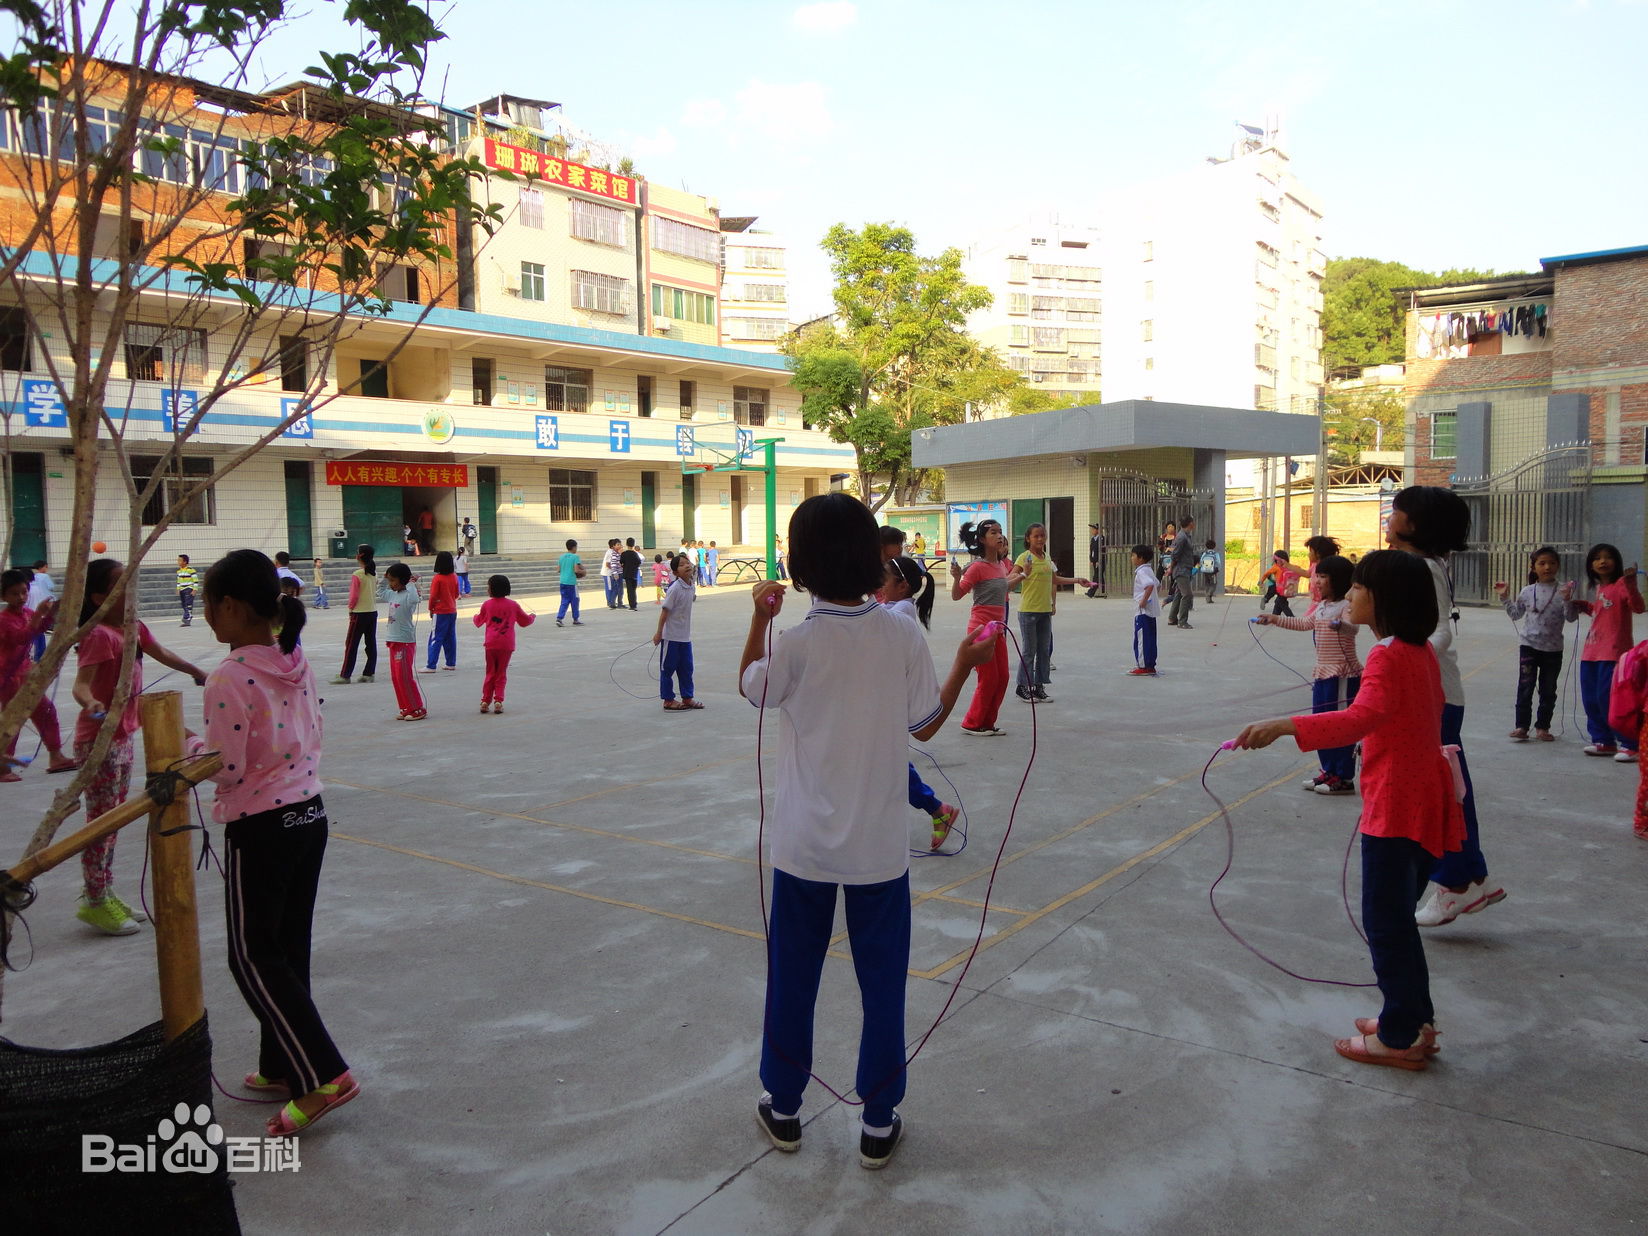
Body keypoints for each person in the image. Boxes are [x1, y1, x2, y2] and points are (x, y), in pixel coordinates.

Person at [737, 493, 998, 1168]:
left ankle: (786, 1108)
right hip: (880, 853)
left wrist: (758, 620)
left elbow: (751, 686)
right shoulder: (901, 631)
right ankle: (879, 1122)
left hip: (803, 850)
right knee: (883, 987)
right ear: (870, 559)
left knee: (794, 980)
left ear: (797, 567)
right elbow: (923, 726)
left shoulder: (795, 643)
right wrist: (964, 667)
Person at [1234, 549, 1463, 1071]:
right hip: (1426, 796)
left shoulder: (1386, 655)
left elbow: (1361, 717)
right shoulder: (1418, 649)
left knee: (1386, 924)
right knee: (1397, 921)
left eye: (1358, 588)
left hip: (1398, 806)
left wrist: (1286, 725)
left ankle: (1401, 1035)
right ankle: (1410, 1018)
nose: (1350, 595)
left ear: (1380, 599)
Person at [183, 549, 357, 1139]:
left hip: (261, 825)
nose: (208, 618)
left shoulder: (232, 674)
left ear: (230, 606)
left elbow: (226, 768)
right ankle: (283, 1064)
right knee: (286, 946)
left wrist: (183, 748)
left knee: (252, 955)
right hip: (308, 814)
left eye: (209, 607)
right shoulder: (291, 654)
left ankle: (325, 1075)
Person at [1386, 485, 1505, 927]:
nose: (1390, 516)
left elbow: (1440, 631)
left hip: (1433, 696)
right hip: (1433, 693)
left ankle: (1455, 882)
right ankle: (1472, 875)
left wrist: (1401, 659)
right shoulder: (1419, 563)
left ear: (1413, 525)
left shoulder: (1421, 567)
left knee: (1441, 790)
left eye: (1396, 511)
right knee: (1448, 784)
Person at [71, 557, 207, 935]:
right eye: (120, 585)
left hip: (123, 737)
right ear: (99, 597)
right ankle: (95, 900)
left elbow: (163, 654)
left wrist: (197, 672)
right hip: (98, 741)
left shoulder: (133, 628)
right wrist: (90, 702)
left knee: (113, 820)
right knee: (101, 824)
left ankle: (100, 891)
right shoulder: (99, 634)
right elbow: (81, 684)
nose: (131, 591)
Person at [1257, 554, 1363, 794]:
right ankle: (1328, 771)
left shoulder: (1346, 606)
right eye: (1317, 577)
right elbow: (1304, 624)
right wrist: (1274, 619)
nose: (1316, 582)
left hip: (1343, 675)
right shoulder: (1323, 607)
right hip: (1323, 674)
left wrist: (1341, 626)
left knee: (1341, 726)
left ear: (1338, 580)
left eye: (1323, 577)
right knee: (1320, 723)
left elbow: (1353, 627)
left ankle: (1343, 777)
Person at [883, 554, 958, 849]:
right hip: (886, 703)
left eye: (883, 577)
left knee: (891, 765)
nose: (878, 582)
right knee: (891, 764)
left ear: (902, 586)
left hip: (890, 705)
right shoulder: (893, 607)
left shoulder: (899, 614)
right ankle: (938, 809)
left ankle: (938, 809)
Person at [1567, 542, 1643, 759]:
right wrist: (1587, 607)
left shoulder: (1622, 584)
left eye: (1608, 557)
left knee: (1611, 699)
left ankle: (1629, 743)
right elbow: (1606, 612)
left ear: (1616, 563)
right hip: (1591, 652)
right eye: (1597, 558)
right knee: (1591, 699)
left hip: (1614, 653)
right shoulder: (1600, 588)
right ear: (1591, 565)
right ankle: (1603, 740)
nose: (1602, 561)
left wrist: (1631, 583)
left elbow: (1638, 607)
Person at [0, 568, 77, 780]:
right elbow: (22, 637)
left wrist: (51, 613)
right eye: (14, 594)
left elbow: (40, 628)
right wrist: (39, 616)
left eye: (24, 592)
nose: (21, 597)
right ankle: (3, 766)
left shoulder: (26, 613)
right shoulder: (4, 619)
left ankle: (55, 755)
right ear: (3, 596)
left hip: (25, 675)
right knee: (13, 720)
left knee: (45, 712)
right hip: (7, 677)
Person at [948, 519, 1023, 736]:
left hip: (998, 628)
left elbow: (1002, 587)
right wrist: (955, 578)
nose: (999, 536)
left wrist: (1023, 575)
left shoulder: (1000, 565)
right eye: (993, 533)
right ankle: (972, 723)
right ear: (982, 539)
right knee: (988, 678)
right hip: (981, 629)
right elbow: (957, 595)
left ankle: (988, 722)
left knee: (1003, 677)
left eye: (1000, 532)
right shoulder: (977, 567)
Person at [1494, 546, 1576, 742]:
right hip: (1528, 645)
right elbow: (1516, 614)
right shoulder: (1527, 590)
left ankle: (1542, 727)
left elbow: (1571, 617)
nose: (1547, 567)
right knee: (1525, 686)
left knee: (1548, 689)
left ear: (1558, 566)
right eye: (1542, 563)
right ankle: (1521, 726)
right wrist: (1505, 597)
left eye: (1552, 563)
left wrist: (1568, 600)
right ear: (1533, 568)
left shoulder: (1564, 590)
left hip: (1553, 649)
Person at [1012, 522, 1090, 703]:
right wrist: (1023, 573)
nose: (1040, 539)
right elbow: (1010, 577)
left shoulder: (1047, 558)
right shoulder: (1024, 557)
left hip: (1044, 611)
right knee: (1029, 651)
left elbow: (1054, 579)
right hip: (1028, 611)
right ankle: (1023, 686)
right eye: (1035, 536)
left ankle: (1039, 686)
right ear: (1028, 538)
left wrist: (1077, 580)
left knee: (1044, 651)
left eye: (1042, 535)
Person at [473, 573, 534, 714]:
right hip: (506, 645)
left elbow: (478, 622)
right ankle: (498, 700)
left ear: (492, 589)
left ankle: (485, 700)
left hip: (490, 644)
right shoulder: (513, 605)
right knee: (501, 672)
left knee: (490, 672)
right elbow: (524, 622)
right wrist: (532, 617)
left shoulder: (487, 605)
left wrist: (475, 616)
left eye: (488, 586)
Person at [654, 552, 699, 710]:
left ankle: (687, 697)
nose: (686, 565)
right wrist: (659, 633)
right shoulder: (675, 589)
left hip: (684, 637)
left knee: (686, 668)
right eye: (681, 565)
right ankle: (668, 699)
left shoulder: (691, 585)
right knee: (668, 668)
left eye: (687, 563)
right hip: (671, 637)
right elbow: (665, 612)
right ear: (675, 572)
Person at [380, 562, 424, 721]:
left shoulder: (408, 595)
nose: (391, 584)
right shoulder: (392, 594)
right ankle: (405, 707)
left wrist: (411, 583)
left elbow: (414, 599)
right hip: (392, 640)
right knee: (396, 677)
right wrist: (384, 579)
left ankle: (417, 708)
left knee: (405, 677)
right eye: (390, 581)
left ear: (403, 580)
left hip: (405, 642)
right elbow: (380, 591)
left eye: (393, 581)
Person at [332, 545, 378, 685]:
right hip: (372, 612)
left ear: (360, 555)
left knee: (351, 644)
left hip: (359, 613)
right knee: (370, 644)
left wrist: (350, 608)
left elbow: (354, 596)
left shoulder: (357, 574)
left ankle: (345, 675)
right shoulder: (373, 573)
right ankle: (369, 673)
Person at [420, 550, 459, 673]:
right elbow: (457, 594)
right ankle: (450, 663)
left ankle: (431, 665)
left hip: (440, 611)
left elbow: (433, 596)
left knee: (435, 638)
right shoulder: (454, 576)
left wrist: (431, 609)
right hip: (452, 610)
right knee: (450, 637)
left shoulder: (437, 578)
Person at [1128, 544, 1160, 677]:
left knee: (1141, 638)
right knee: (1150, 638)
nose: (1131, 558)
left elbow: (1150, 586)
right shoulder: (1148, 570)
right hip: (1151, 611)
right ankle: (1150, 665)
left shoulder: (1141, 572)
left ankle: (1143, 666)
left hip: (1143, 611)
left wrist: (1143, 601)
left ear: (1140, 558)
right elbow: (1156, 583)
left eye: (1133, 555)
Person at [1167, 515, 1198, 629]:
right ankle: (1182, 621)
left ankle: (1172, 618)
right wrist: (1171, 568)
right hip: (1181, 570)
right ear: (1190, 524)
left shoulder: (1185, 536)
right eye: (1193, 522)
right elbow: (1175, 554)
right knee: (1187, 595)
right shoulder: (1181, 538)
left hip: (1185, 569)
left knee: (1179, 593)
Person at [1302, 535, 1342, 616]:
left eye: (1310, 551)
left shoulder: (1329, 568)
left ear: (1318, 554)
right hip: (1319, 606)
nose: (1308, 554)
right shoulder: (1314, 566)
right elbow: (1307, 574)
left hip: (1326, 608)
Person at [1259, 550, 1302, 617]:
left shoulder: (1282, 567)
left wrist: (1261, 581)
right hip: (1282, 588)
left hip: (1282, 588)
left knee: (1281, 602)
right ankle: (1280, 616)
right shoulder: (1281, 567)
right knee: (1280, 601)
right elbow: (1266, 574)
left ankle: (1282, 617)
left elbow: (1266, 574)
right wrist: (1261, 581)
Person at [556, 539, 585, 627]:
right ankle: (575, 619)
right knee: (575, 600)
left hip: (563, 582)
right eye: (576, 547)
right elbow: (576, 570)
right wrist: (583, 572)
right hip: (572, 583)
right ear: (573, 547)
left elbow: (558, 570)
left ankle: (559, 618)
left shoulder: (561, 557)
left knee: (564, 601)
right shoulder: (575, 557)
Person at [176, 553, 199, 626]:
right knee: (183, 604)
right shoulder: (179, 571)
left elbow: (195, 580)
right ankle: (188, 617)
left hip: (189, 588)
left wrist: (195, 590)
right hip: (182, 589)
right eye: (178, 560)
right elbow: (178, 581)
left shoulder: (191, 570)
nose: (178, 562)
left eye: (180, 560)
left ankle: (187, 617)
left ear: (185, 562)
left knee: (188, 604)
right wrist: (178, 589)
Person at [1085, 523, 1107, 598]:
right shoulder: (1093, 539)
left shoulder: (1101, 539)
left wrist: (1098, 560)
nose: (1092, 531)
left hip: (1100, 561)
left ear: (1097, 530)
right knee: (1100, 576)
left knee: (1096, 577)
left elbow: (1101, 550)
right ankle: (1103, 592)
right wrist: (1091, 560)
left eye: (1093, 529)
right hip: (1094, 561)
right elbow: (1092, 551)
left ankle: (1091, 592)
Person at [620, 537, 642, 611]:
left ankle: (632, 606)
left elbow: (621, 562)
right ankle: (634, 603)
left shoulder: (624, 554)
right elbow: (639, 562)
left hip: (627, 573)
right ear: (633, 544)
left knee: (630, 590)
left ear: (626, 544)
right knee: (633, 589)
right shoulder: (635, 554)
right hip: (634, 573)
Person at [601, 538, 623, 609]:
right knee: (610, 588)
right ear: (613, 546)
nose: (619, 546)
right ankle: (610, 602)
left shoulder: (614, 552)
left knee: (613, 588)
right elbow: (608, 564)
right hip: (608, 573)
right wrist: (615, 571)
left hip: (612, 573)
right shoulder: (610, 552)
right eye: (617, 544)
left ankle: (611, 602)